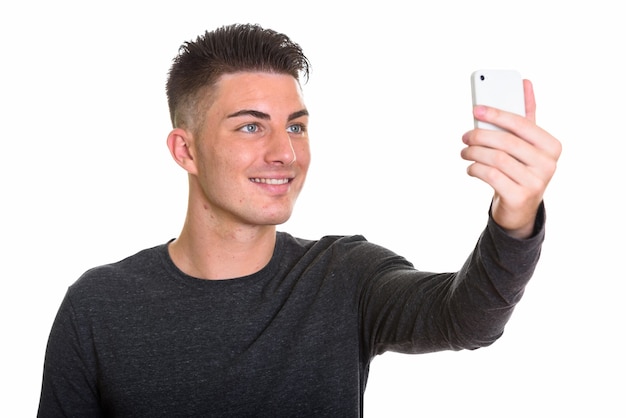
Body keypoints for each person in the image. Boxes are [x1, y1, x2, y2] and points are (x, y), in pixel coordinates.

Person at [37, 23, 561, 417]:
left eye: (296, 126)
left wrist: (514, 219)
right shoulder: (98, 307)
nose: (284, 153)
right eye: (249, 127)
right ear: (185, 150)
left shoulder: (343, 275)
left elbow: (466, 317)